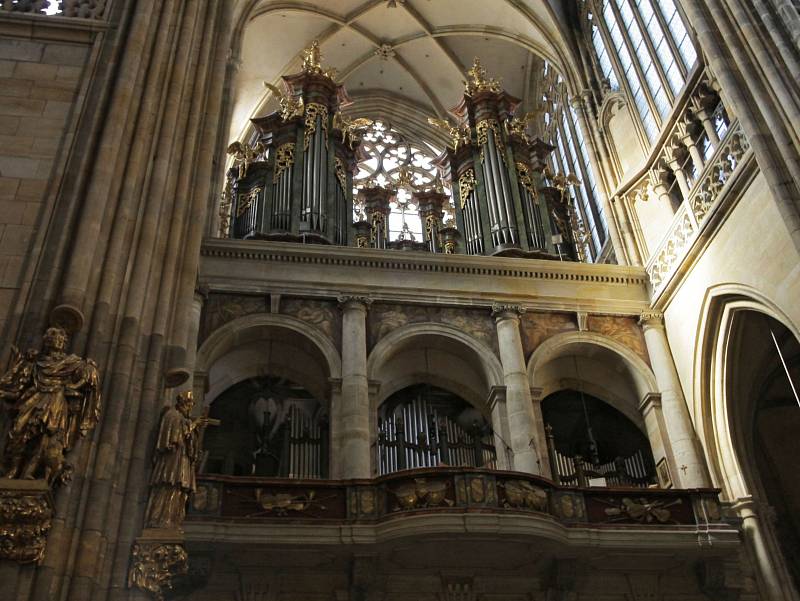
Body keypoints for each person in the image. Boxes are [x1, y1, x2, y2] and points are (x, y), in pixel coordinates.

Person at [0, 326, 101, 485]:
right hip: (34, 398)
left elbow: (88, 375)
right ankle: (13, 470)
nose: (59, 341)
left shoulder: (70, 362)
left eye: (62, 339)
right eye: (55, 337)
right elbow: (20, 382)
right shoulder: (37, 362)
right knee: (18, 431)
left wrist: (89, 368)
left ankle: (29, 473)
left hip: (55, 401)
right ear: (47, 341)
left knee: (46, 439)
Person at [145, 391, 208, 530]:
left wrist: (196, 432)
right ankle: (161, 520)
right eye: (190, 403)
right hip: (173, 461)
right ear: (183, 402)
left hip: (183, 459)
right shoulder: (173, 416)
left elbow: (190, 442)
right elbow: (175, 438)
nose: (191, 407)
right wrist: (194, 424)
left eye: (192, 404)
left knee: (180, 491)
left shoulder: (182, 419)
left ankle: (173, 520)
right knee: (170, 486)